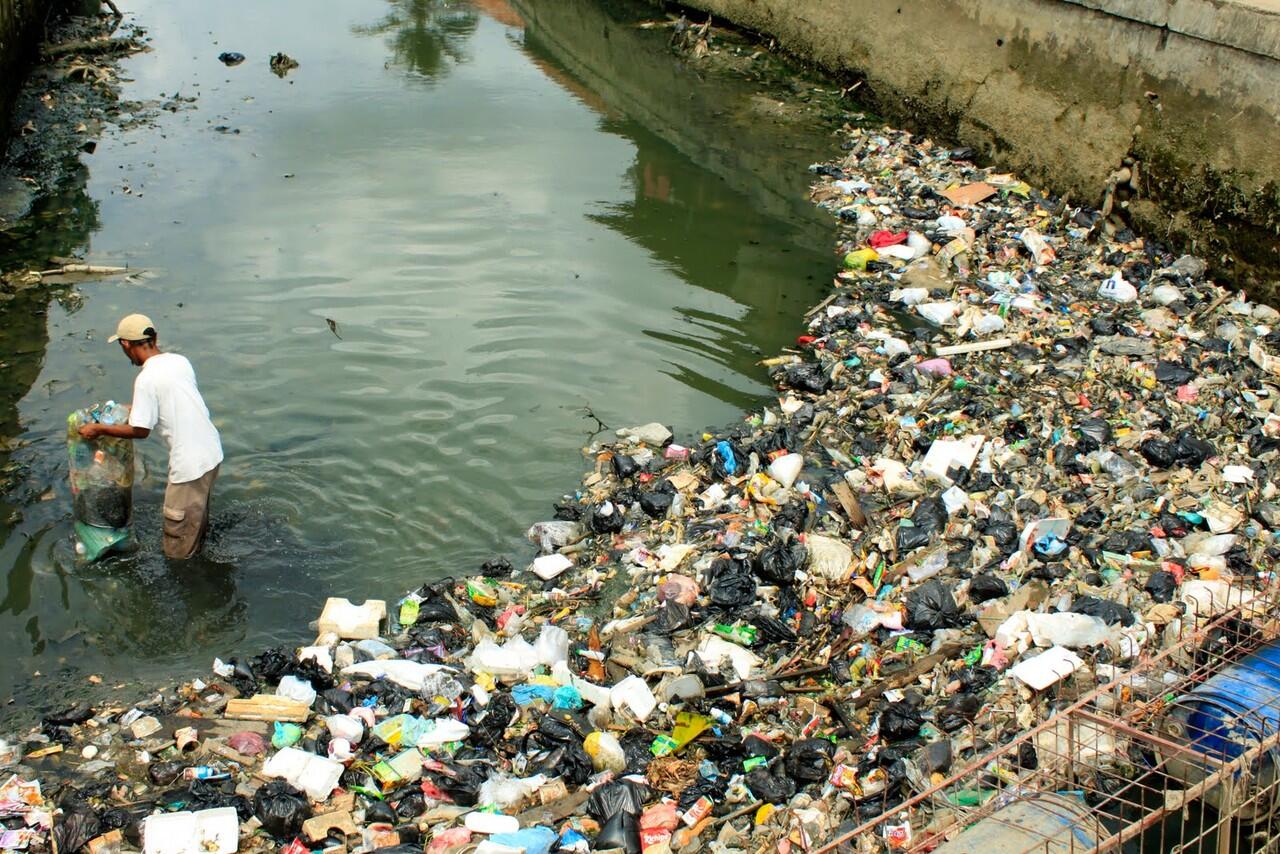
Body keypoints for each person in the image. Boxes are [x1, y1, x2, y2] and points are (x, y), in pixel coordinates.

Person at [77, 313, 223, 559]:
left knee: (177, 545)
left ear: (125, 344)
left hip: (188, 467)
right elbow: (169, 400)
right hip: (212, 455)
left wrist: (99, 429)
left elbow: (140, 431)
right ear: (154, 337)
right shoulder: (179, 362)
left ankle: (187, 580)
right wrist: (125, 409)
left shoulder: (146, 379)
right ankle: (199, 558)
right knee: (196, 527)